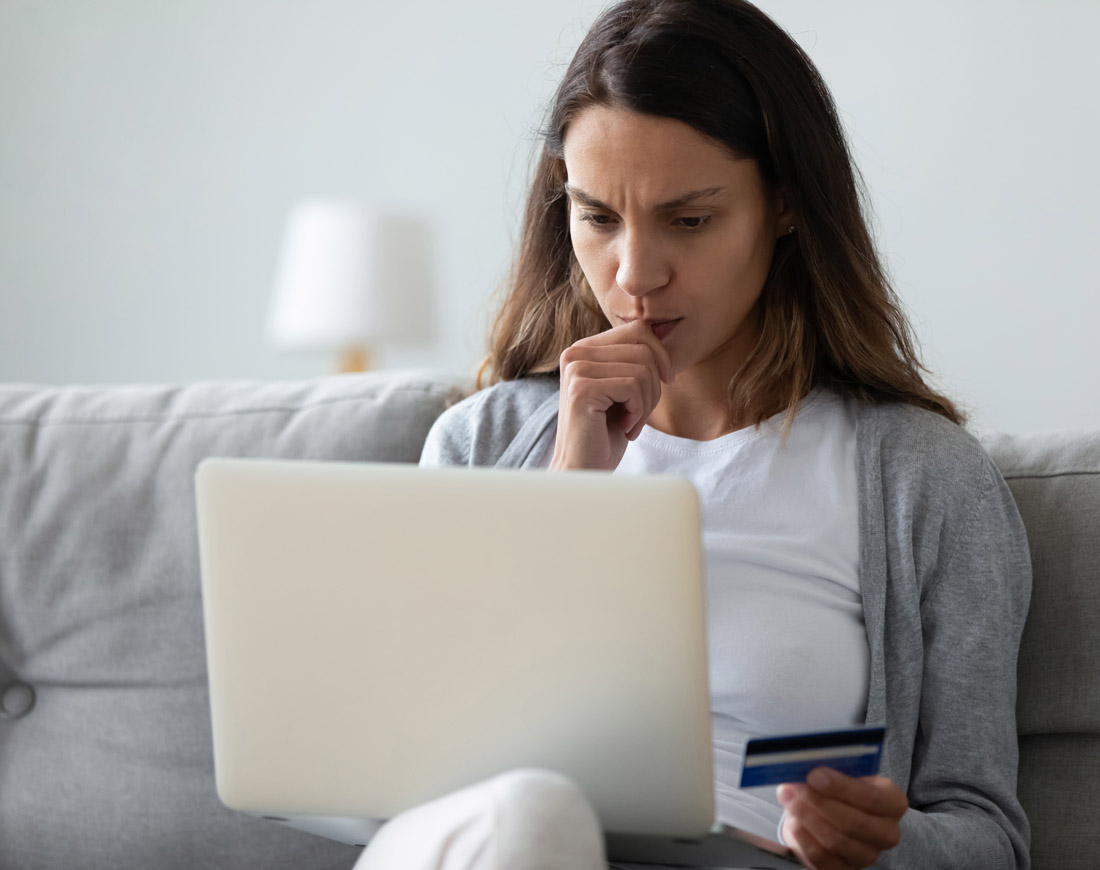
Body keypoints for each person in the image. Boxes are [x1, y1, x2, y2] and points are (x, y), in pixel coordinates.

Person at [355, 0, 1032, 867]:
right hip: (500, 844)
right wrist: (569, 489)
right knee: (530, 815)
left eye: (689, 220)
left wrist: (877, 844)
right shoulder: (479, 445)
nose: (635, 274)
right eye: (597, 217)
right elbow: (406, 757)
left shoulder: (924, 480)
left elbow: (989, 834)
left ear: (783, 206)